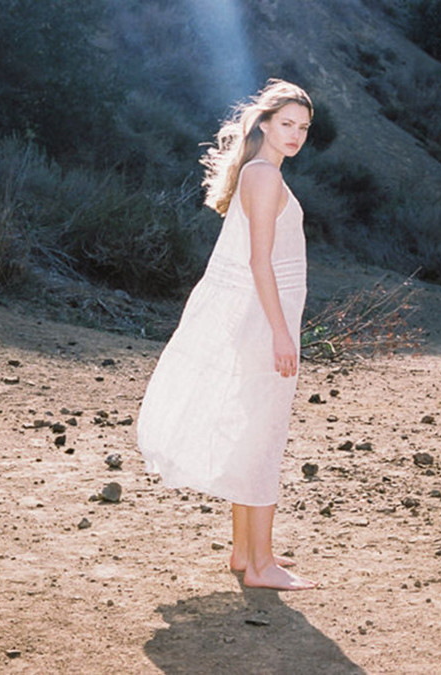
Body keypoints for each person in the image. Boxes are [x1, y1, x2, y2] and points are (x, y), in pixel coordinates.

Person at [136, 79, 316, 591]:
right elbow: (260, 262)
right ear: (264, 124)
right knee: (264, 438)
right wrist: (281, 334)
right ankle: (261, 565)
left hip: (264, 319)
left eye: (303, 128)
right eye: (286, 124)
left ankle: (245, 553)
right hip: (264, 323)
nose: (296, 135)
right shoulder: (264, 176)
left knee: (252, 433)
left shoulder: (260, 173)